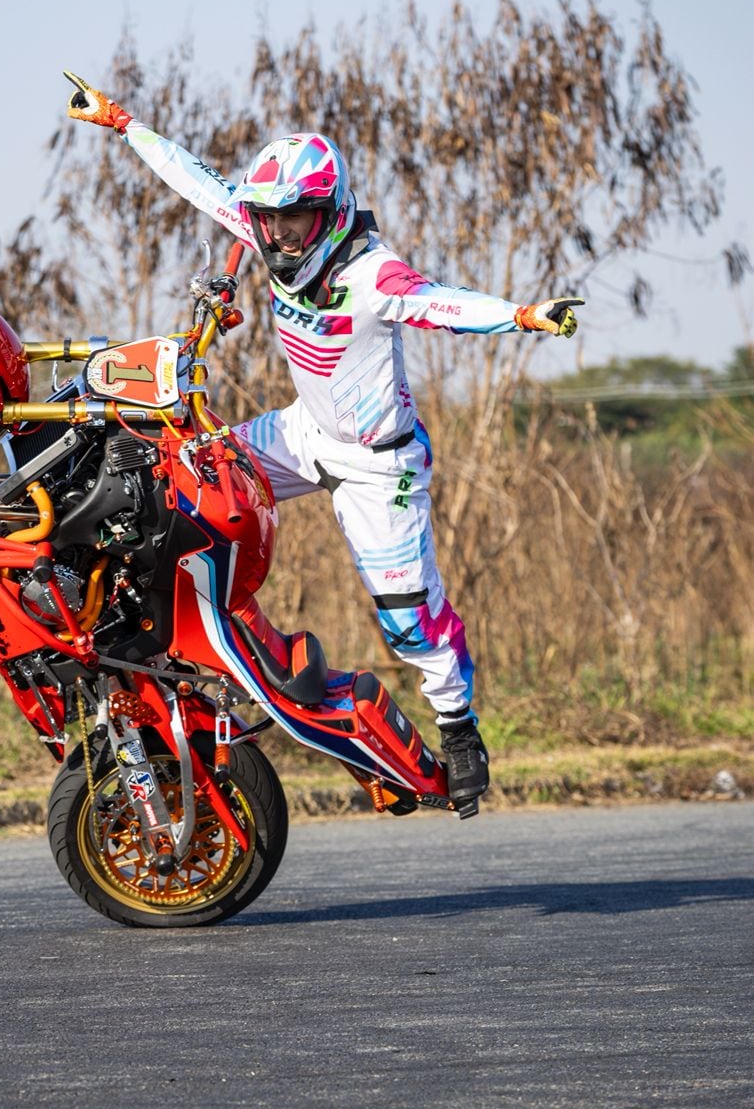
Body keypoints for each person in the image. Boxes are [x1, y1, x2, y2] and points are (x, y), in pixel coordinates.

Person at [64, 71, 582, 803]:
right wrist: (121, 123)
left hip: (380, 465)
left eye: (294, 220)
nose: (276, 235)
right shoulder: (266, 229)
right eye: (267, 220)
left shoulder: (373, 274)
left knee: (406, 623)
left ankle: (459, 727)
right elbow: (198, 181)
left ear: (330, 211)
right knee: (177, 472)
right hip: (301, 433)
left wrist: (526, 315)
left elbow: (443, 305)